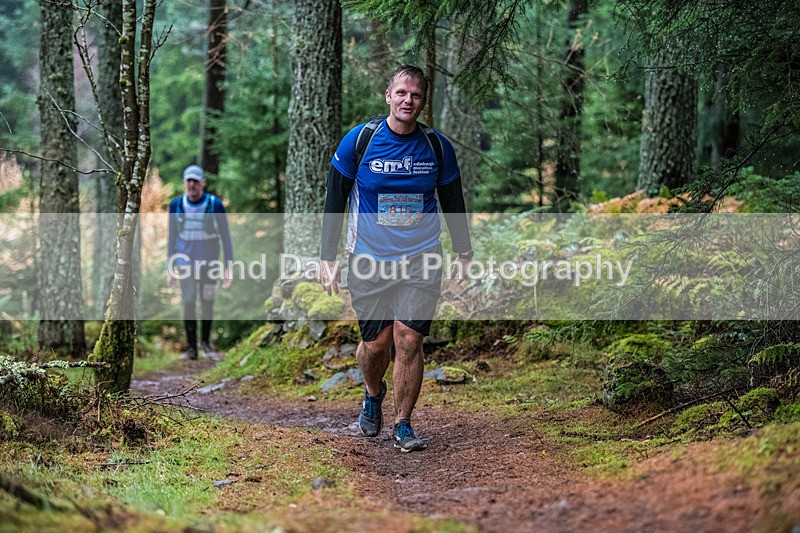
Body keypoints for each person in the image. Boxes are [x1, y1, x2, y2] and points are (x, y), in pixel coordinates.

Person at [319, 64, 473, 452]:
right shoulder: (360, 141)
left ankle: (403, 423)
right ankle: (373, 393)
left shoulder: (437, 147)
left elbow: (453, 200)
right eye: (401, 93)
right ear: (388, 96)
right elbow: (335, 199)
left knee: (408, 339)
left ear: (423, 102)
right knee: (377, 345)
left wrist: (464, 250)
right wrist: (327, 257)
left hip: (421, 257)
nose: (408, 100)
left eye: (416, 95)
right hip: (367, 258)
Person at [167, 164, 233, 360]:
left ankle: (205, 344)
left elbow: (226, 237)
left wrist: (228, 267)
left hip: (210, 263)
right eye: (189, 181)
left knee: (207, 301)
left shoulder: (215, 205)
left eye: (196, 181)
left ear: (203, 182)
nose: (192, 185)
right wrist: (170, 267)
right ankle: (191, 348)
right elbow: (172, 237)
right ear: (184, 182)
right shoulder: (176, 206)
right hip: (185, 264)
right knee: (188, 301)